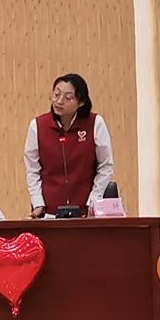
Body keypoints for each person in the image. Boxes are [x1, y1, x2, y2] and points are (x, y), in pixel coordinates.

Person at [25, 73, 114, 217]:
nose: (59, 101)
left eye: (68, 98)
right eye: (56, 95)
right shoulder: (37, 126)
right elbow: (32, 170)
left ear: (81, 102)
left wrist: (93, 201)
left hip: (85, 212)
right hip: (49, 213)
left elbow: (106, 166)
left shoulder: (95, 123)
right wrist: (38, 203)